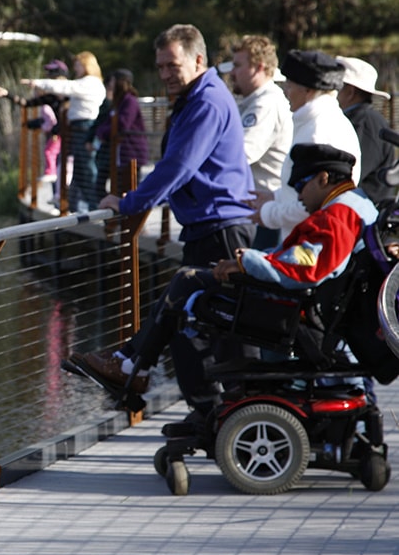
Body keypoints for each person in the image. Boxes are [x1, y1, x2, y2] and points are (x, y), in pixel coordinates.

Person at [76, 143, 377, 399]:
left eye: (300, 186)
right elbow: (307, 257)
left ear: (323, 179)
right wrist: (257, 259)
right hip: (317, 304)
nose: (298, 196)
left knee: (187, 282)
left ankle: (135, 369)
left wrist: (247, 263)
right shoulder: (358, 204)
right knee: (191, 286)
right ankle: (134, 366)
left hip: (299, 309)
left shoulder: (336, 215)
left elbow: (306, 267)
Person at [89, 24, 256, 420]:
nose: (164, 73)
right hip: (209, 227)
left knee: (209, 329)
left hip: (222, 230)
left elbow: (177, 167)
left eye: (172, 65)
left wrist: (130, 203)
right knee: (186, 319)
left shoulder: (207, 102)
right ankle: (138, 369)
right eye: (160, 66)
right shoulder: (195, 97)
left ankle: (223, 411)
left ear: (199, 60)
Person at [249, 49, 361, 243]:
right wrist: (276, 197)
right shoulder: (317, 121)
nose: (285, 91)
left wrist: (268, 213)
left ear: (308, 90)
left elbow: (314, 204)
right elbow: (303, 190)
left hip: (313, 245)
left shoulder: (319, 130)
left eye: (289, 85)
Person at [227, 35, 292, 249]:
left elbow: (241, 154)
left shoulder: (265, 104)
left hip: (266, 211)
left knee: (255, 277)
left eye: (237, 65)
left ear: (258, 67)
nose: (232, 73)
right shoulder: (255, 102)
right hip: (261, 207)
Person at [19, 51, 106, 210]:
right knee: (78, 169)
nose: (76, 69)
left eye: (78, 65)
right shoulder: (86, 83)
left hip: (83, 127)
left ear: (87, 65)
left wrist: (38, 83)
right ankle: (73, 206)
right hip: (76, 128)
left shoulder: (90, 83)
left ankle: (95, 207)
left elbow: (66, 86)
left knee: (86, 169)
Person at [0, 59, 69, 185]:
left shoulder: (73, 94)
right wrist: (7, 94)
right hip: (60, 134)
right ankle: (58, 196)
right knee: (57, 163)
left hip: (72, 136)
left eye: (52, 74)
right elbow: (26, 103)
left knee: (66, 164)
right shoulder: (50, 97)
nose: (49, 76)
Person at [336, 55, 397, 206]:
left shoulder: (365, 124)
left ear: (350, 92)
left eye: (335, 86)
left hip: (363, 215)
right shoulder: (359, 120)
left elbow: (351, 176)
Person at [92, 68, 148, 196]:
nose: (110, 84)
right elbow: (108, 122)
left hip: (131, 153)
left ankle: (128, 215)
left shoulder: (130, 101)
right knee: (114, 190)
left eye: (113, 81)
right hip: (120, 154)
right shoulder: (119, 101)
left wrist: (103, 132)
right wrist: (101, 131)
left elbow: (122, 124)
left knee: (129, 190)